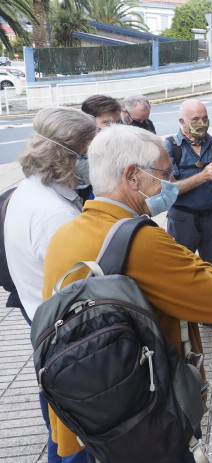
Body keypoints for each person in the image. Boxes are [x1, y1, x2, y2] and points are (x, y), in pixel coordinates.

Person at [42, 124, 212, 462]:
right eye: (165, 173)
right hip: (142, 424)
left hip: (83, 413)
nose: (171, 183)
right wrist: (188, 255)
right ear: (132, 176)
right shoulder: (143, 241)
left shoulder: (65, 233)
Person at [4, 107, 97, 463]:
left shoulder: (29, 191)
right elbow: (81, 287)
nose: (93, 158)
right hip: (66, 334)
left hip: (41, 318)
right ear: (70, 154)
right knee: (75, 431)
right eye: (90, 149)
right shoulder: (54, 213)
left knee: (59, 423)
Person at [164, 98, 212, 333]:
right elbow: (168, 189)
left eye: (204, 118)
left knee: (211, 268)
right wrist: (203, 176)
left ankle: (209, 315)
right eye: (195, 119)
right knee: (182, 269)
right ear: (182, 121)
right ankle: (182, 316)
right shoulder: (169, 147)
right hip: (183, 217)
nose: (201, 123)